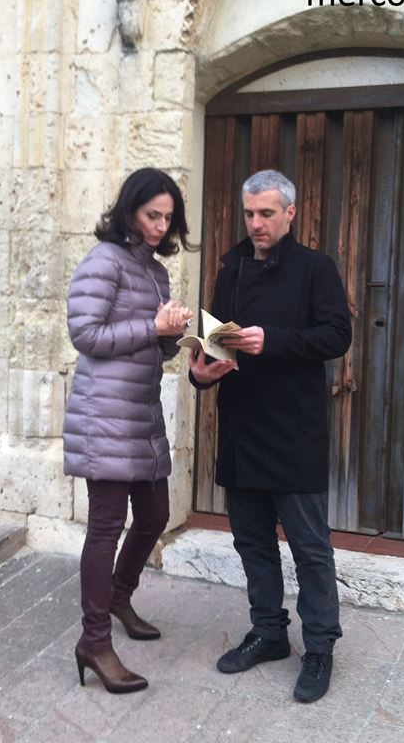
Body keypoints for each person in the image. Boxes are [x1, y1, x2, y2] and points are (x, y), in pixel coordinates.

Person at [188, 169, 352, 703]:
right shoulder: (231, 267)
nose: (256, 223)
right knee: (252, 541)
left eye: (266, 213)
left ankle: (320, 647)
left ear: (290, 213)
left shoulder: (315, 269)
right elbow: (214, 345)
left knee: (309, 547)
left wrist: (273, 341)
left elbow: (338, 335)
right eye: (249, 213)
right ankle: (269, 632)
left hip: (295, 431)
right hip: (241, 427)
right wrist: (200, 372)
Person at [63, 168, 194, 694]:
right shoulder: (104, 260)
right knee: (106, 525)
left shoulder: (156, 272)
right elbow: (85, 334)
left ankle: (119, 596)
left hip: (140, 413)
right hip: (103, 414)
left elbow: (153, 347)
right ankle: (94, 641)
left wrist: (172, 335)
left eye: (168, 217)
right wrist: (152, 327)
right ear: (129, 212)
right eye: (152, 215)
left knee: (156, 514)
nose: (161, 226)